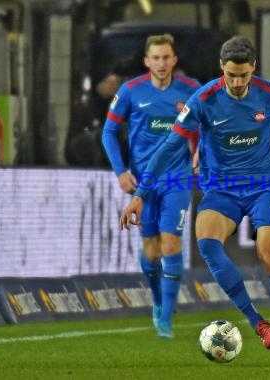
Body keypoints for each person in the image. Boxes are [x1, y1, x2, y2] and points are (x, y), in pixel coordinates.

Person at [119, 35, 270, 366]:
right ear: (222, 67)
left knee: (269, 254)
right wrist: (140, 194)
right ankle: (257, 322)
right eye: (231, 75)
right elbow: (168, 148)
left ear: (253, 69)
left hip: (264, 186)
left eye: (243, 75)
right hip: (220, 191)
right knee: (207, 243)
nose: (236, 82)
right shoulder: (203, 99)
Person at [102, 34, 201, 339]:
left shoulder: (192, 90)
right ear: (147, 62)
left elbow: (205, 127)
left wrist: (199, 152)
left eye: (166, 57)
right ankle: (158, 301)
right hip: (143, 182)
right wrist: (120, 172)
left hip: (177, 178)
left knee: (171, 245)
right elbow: (108, 132)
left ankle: (167, 320)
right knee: (151, 251)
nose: (161, 63)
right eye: (155, 58)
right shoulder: (131, 91)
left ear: (174, 60)